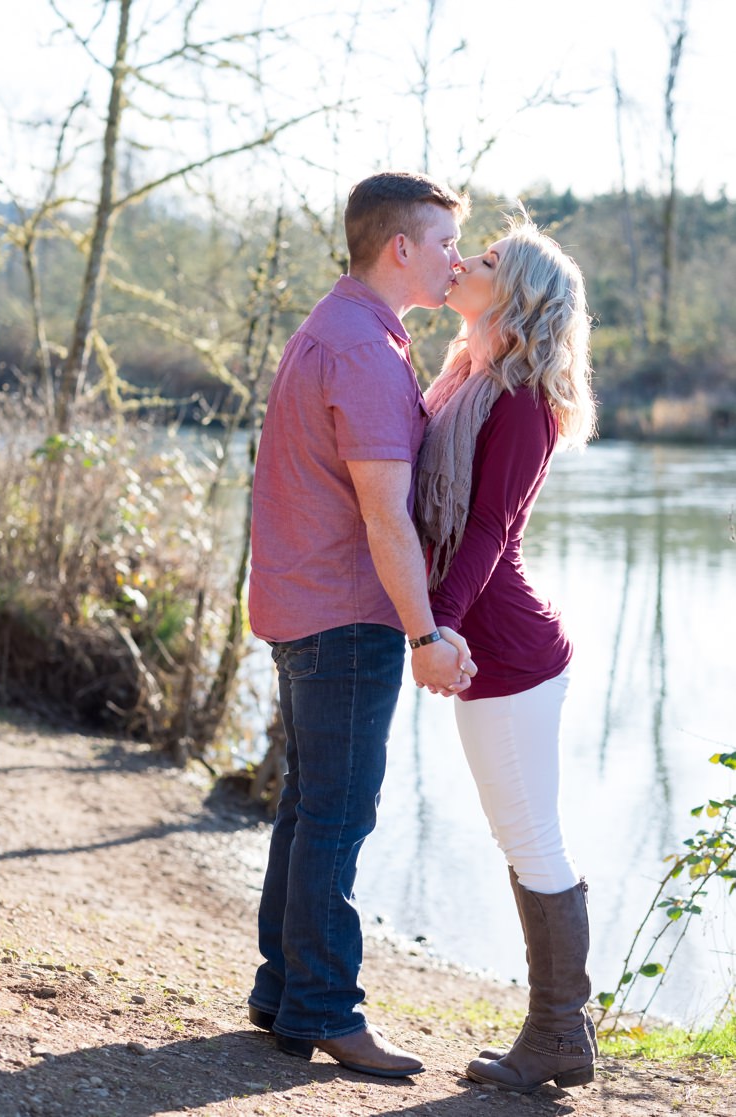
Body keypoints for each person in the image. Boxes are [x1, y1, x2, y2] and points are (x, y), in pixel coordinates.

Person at [244, 170, 477, 1078]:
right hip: (344, 614)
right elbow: (386, 513)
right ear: (400, 249)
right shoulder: (365, 354)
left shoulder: (341, 329)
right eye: (447, 242)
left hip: (304, 606)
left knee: (308, 809)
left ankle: (282, 992)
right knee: (337, 815)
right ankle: (326, 1009)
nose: (457, 257)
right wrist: (424, 634)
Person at [415, 216, 597, 1092]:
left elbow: (488, 528)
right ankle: (561, 1031)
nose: (462, 263)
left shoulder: (523, 403)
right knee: (515, 832)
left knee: (531, 837)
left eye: (483, 260)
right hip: (486, 645)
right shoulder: (466, 378)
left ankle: (561, 1033)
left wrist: (438, 626)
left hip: (511, 655)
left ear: (515, 292)